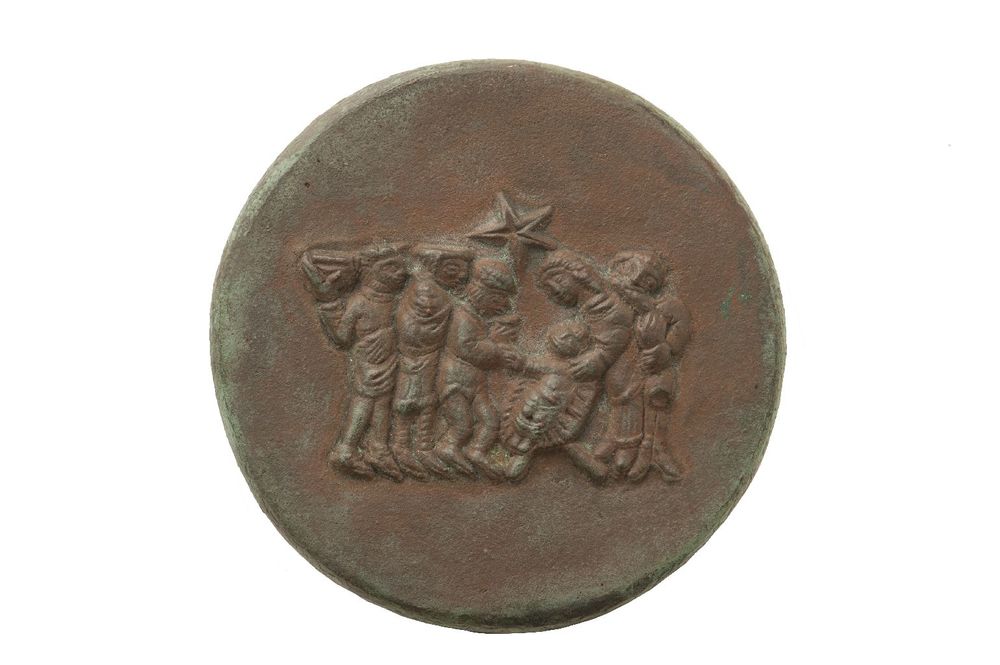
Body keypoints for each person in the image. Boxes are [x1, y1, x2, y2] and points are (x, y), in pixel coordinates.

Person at [597, 250, 691, 481]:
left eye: (651, 280)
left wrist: (667, 349)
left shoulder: (666, 307)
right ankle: (617, 440)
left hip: (651, 365)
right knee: (619, 389)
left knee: (658, 388)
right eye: (640, 273)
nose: (643, 282)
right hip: (620, 368)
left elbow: (680, 327)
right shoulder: (615, 301)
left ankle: (654, 447)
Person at [323, 244, 409, 480]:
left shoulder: (391, 299)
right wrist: (330, 305)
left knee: (383, 401)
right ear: (373, 272)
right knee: (364, 399)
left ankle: (378, 448)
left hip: (388, 357)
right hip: (369, 358)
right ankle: (345, 449)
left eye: (400, 268)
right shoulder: (359, 302)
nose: (401, 273)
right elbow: (342, 337)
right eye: (391, 268)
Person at [433, 258, 524, 479]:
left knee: (491, 420)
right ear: (481, 294)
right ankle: (447, 447)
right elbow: (467, 348)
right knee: (462, 424)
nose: (503, 307)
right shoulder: (462, 316)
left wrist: (499, 346)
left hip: (475, 383)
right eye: (497, 300)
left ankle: (476, 450)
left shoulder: (476, 318)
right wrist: (497, 350)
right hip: (455, 382)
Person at [390, 242, 475, 479]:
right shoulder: (426, 290)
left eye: (464, 270)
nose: (462, 276)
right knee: (410, 401)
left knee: (426, 401)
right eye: (453, 269)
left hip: (428, 356)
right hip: (417, 357)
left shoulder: (434, 290)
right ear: (434, 266)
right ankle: (402, 446)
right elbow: (419, 326)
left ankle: (422, 446)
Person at [500, 320, 605, 481]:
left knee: (550, 432)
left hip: (556, 410)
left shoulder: (583, 372)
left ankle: (529, 451)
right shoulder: (550, 362)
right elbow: (529, 365)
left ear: (582, 347)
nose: (564, 337)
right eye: (564, 333)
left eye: (573, 337)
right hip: (533, 402)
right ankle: (523, 451)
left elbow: (529, 365)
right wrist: (515, 358)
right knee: (527, 422)